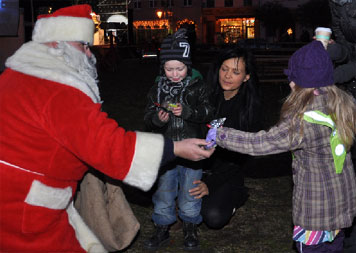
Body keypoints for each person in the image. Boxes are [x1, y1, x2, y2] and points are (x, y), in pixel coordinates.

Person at [0, 5, 215, 252]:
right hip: (24, 207)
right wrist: (175, 148)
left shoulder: (13, 77)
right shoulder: (59, 91)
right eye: (83, 46)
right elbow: (110, 146)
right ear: (55, 45)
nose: (90, 54)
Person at [206, 40, 356, 252]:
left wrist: (220, 134)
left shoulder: (304, 122)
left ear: (303, 85)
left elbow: (260, 143)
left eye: (293, 80)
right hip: (341, 207)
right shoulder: (341, 106)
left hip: (316, 214)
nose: (290, 84)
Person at [143, 28, 215, 251]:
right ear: (162, 67)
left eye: (180, 68)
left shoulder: (198, 87)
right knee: (164, 189)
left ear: (188, 66)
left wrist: (188, 112)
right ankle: (162, 226)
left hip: (192, 148)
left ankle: (190, 225)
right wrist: (158, 119)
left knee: (190, 189)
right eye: (169, 69)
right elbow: (147, 117)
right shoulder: (157, 89)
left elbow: (208, 112)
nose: (174, 74)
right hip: (166, 149)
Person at [189, 46, 263, 229]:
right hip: (199, 166)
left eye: (236, 72)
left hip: (228, 173)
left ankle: (236, 197)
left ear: (246, 76)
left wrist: (210, 184)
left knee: (213, 217)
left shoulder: (250, 109)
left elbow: (241, 158)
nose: (227, 76)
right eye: (224, 69)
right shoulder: (207, 97)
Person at [327, 2, 356, 250]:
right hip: (349, 102)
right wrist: (332, 52)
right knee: (346, 167)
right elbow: (347, 49)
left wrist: (334, 75)